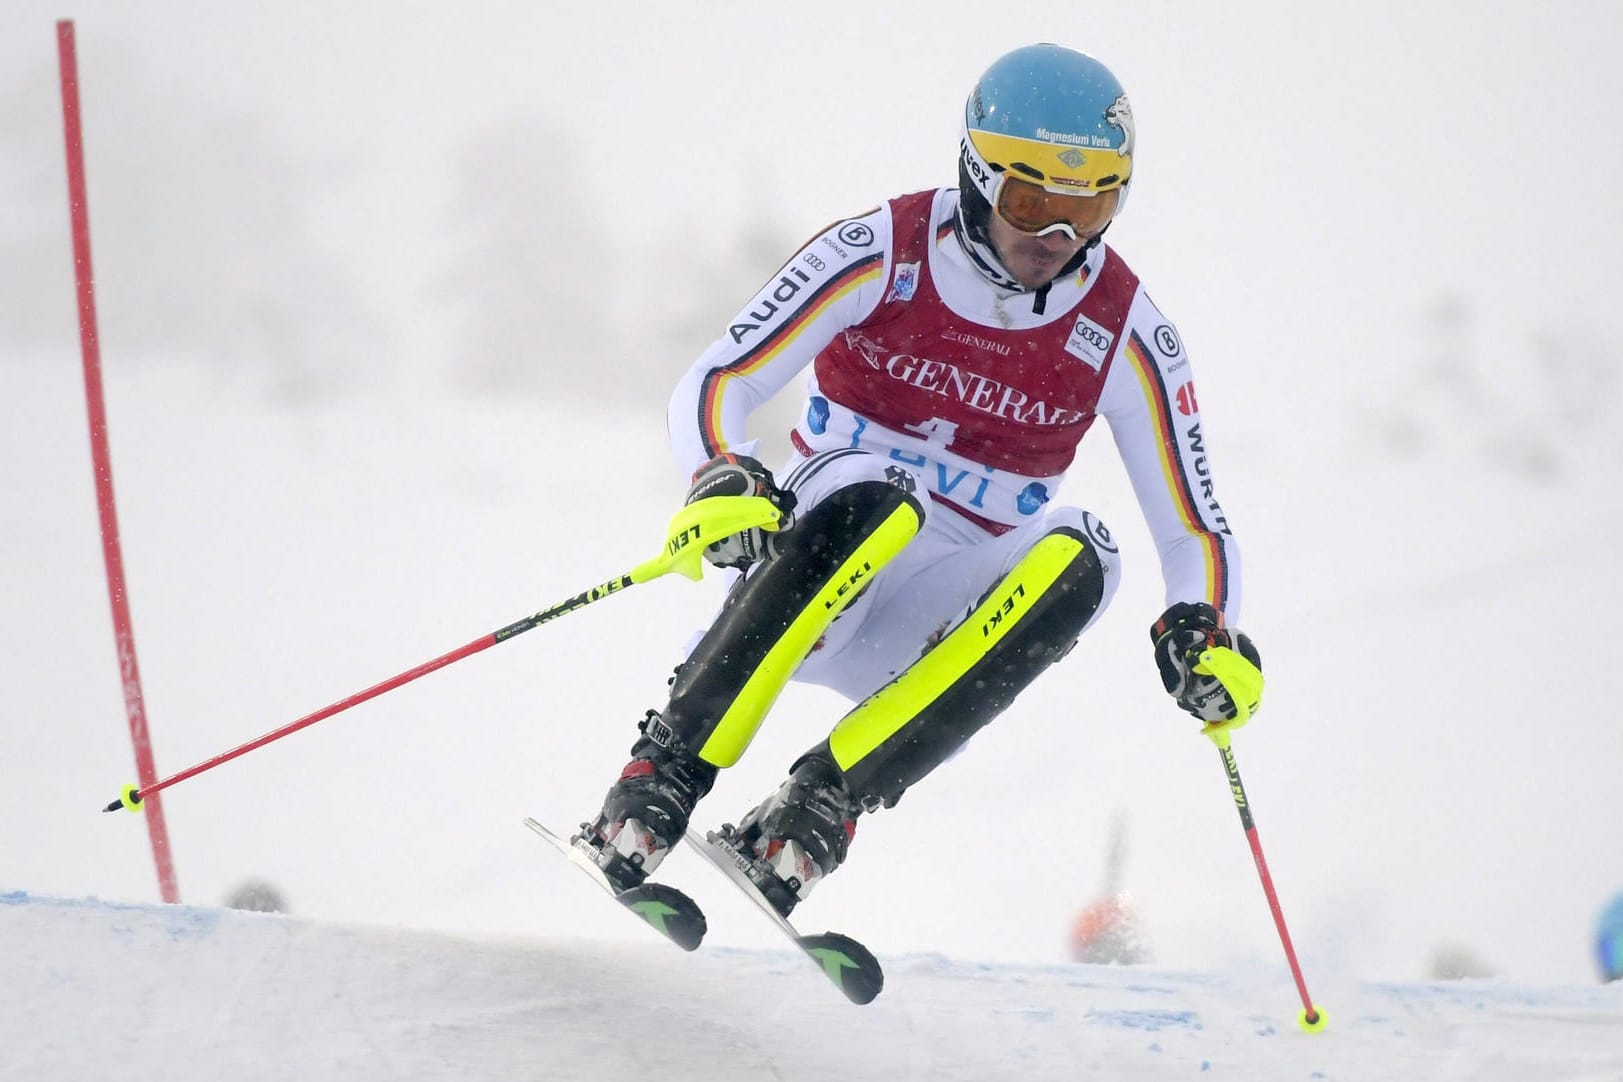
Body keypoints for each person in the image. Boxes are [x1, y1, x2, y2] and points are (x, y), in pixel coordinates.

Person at [573, 42, 1264, 918]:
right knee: (883, 494)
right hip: (812, 581)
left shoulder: (1124, 328)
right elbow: (719, 380)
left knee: (1091, 553)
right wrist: (721, 474)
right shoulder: (884, 251)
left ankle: (818, 807)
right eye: (1029, 201)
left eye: (1089, 208)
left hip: (935, 626)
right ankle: (665, 771)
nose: (1054, 238)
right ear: (976, 177)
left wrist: (1205, 631)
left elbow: (1193, 526)